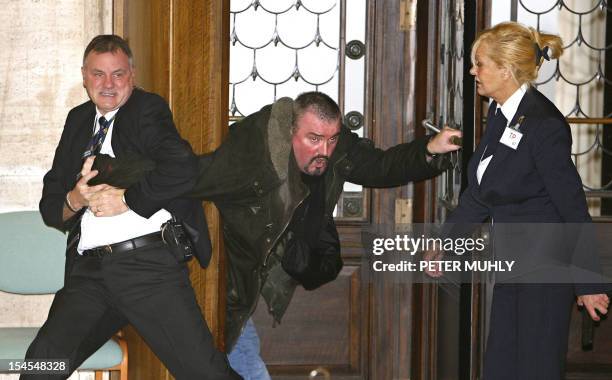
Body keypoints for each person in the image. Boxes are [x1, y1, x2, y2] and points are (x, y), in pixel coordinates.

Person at [91, 91, 462, 379]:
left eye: (332, 140)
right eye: (314, 139)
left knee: (239, 354)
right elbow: (186, 174)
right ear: (290, 131)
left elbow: (380, 166)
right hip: (223, 278)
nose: (325, 151)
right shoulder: (250, 159)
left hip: (254, 279)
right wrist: (114, 180)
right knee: (238, 357)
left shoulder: (335, 146)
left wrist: (429, 149)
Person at [23, 35, 240, 379]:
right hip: (89, 275)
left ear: (132, 76)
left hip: (147, 269)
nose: (108, 84)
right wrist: (75, 199)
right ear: (84, 76)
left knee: (204, 372)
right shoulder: (77, 119)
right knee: (37, 367)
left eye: (118, 74)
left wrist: (125, 200)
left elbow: (182, 166)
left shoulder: (146, 109)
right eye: (98, 74)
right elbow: (51, 208)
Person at [428, 22, 609, 379]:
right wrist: (445, 242)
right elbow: (482, 193)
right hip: (514, 270)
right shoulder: (501, 113)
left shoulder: (544, 124)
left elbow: (572, 207)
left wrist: (588, 282)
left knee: (533, 369)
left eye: (479, 64)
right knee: (501, 367)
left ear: (506, 71)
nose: (472, 71)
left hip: (544, 275)